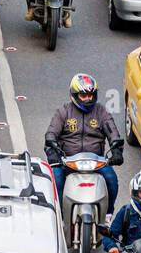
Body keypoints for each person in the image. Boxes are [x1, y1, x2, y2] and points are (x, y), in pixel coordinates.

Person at [45, 73, 123, 209]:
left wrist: (117, 150)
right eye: (84, 95)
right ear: (74, 95)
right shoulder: (63, 112)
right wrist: (52, 152)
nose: (88, 99)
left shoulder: (101, 111)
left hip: (96, 161)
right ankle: (60, 215)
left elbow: (113, 132)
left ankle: (108, 214)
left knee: (111, 179)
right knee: (56, 180)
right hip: (67, 161)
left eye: (91, 95)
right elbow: (51, 134)